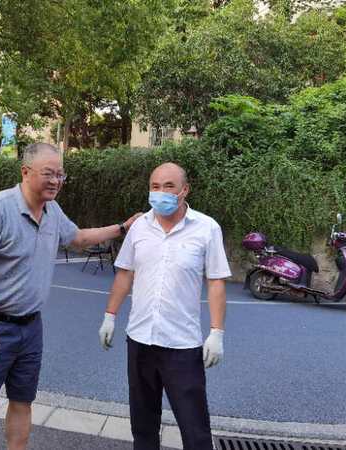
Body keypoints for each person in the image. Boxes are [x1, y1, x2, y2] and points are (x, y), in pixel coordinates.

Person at [0, 143, 141, 450]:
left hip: (31, 327)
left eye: (60, 174)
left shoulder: (52, 211)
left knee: (22, 401)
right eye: (49, 173)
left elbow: (78, 237)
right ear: (26, 172)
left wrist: (122, 228)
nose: (56, 181)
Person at [98, 163, 231, 450]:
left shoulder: (207, 228)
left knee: (195, 429)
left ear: (185, 190)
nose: (161, 192)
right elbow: (125, 273)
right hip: (139, 340)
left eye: (169, 186)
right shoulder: (139, 227)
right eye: (155, 186)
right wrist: (110, 316)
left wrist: (217, 332)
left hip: (182, 345)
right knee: (143, 426)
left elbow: (216, 282)